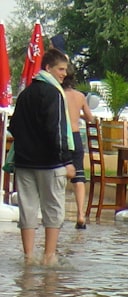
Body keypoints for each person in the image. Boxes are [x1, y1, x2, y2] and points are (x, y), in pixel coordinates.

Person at [10, 47, 75, 264]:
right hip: (50, 163)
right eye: (60, 69)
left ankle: (28, 256)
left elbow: (14, 125)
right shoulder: (54, 93)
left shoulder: (25, 93)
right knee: (53, 209)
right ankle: (49, 256)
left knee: (27, 209)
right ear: (48, 68)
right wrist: (67, 160)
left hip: (25, 161)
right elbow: (56, 129)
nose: (64, 74)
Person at [63, 71, 95, 229]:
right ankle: (80, 214)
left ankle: (56, 213)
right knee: (79, 177)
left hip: (62, 136)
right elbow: (91, 118)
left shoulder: (58, 94)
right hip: (75, 137)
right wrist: (79, 116)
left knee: (57, 174)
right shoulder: (80, 96)